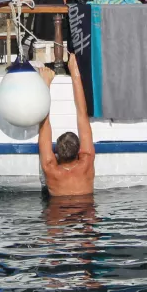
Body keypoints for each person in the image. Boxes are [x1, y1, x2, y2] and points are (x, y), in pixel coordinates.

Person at [37, 55, 95, 197]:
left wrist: (45, 84)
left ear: (56, 151)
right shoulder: (87, 161)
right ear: (79, 150)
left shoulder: (51, 169)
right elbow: (82, 114)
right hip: (86, 214)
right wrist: (75, 73)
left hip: (57, 214)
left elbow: (44, 125)